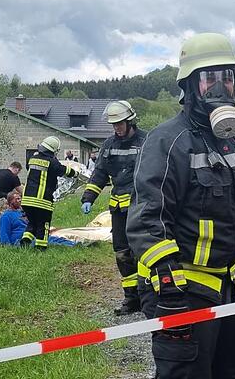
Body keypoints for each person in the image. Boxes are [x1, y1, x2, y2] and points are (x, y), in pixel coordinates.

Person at [127, 33, 235, 379]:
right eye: (209, 78)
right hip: (183, 292)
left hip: (229, 289)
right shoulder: (167, 142)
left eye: (227, 78)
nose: (219, 88)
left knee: (230, 373)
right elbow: (147, 222)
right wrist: (168, 289)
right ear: (190, 85)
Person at [81, 100, 147, 315]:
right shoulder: (109, 145)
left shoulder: (147, 141)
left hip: (141, 207)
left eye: (120, 124)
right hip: (119, 209)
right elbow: (99, 173)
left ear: (130, 121)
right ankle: (131, 298)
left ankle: (149, 295)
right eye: (114, 125)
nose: (117, 128)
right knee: (122, 254)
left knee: (145, 252)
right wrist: (88, 197)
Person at [20, 136, 78, 249]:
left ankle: (26, 239)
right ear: (53, 150)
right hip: (42, 201)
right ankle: (40, 247)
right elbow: (64, 170)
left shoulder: (32, 158)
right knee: (43, 224)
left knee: (32, 222)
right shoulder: (51, 161)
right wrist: (76, 173)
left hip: (26, 199)